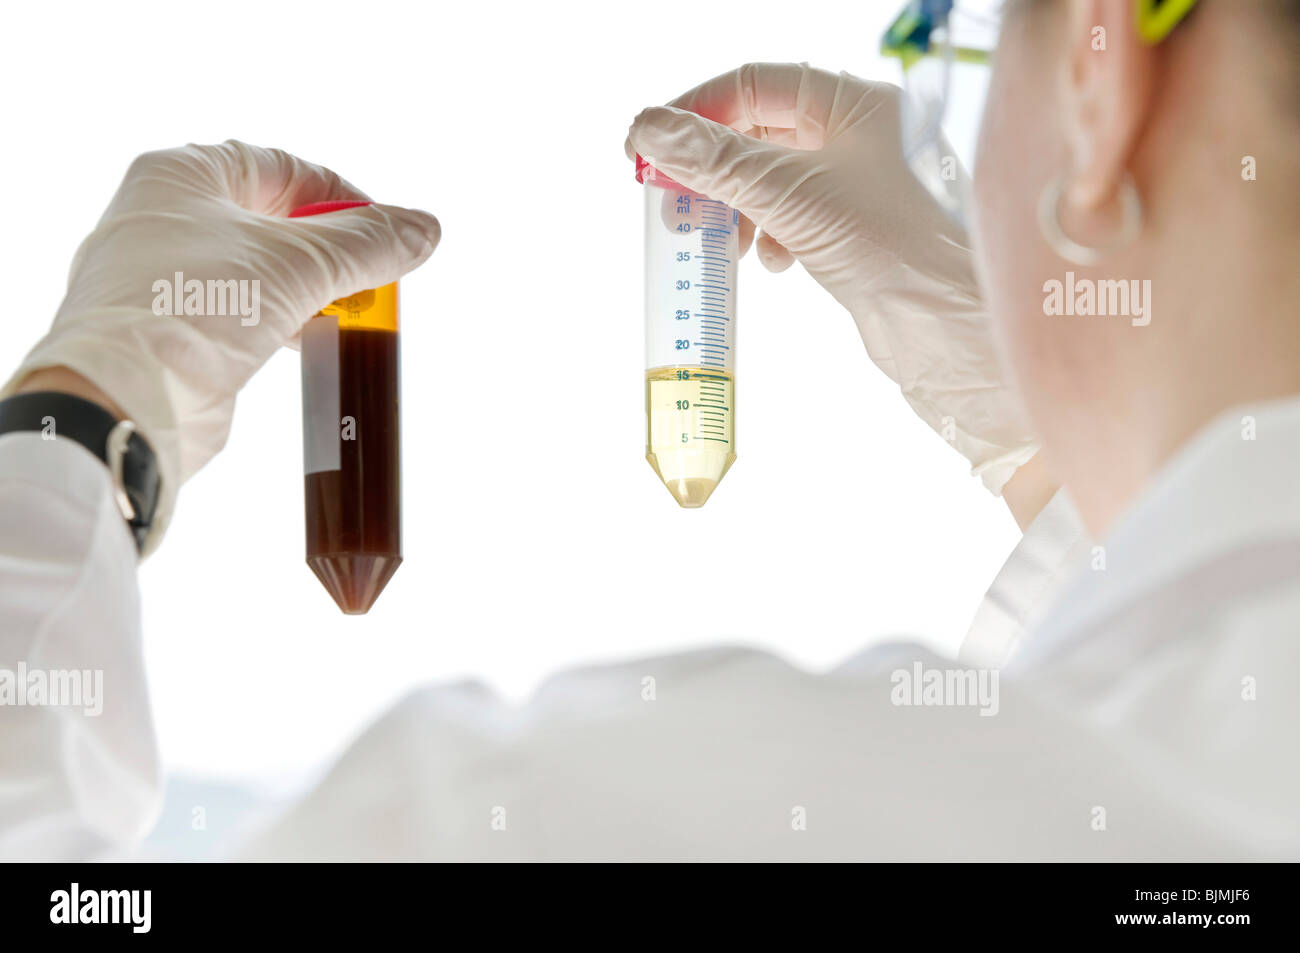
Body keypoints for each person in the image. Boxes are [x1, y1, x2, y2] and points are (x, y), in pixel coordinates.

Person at [2, 0, 1297, 861]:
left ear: (1097, 71)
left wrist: (79, 413)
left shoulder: (616, 813)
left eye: (946, 39)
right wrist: (1051, 458)